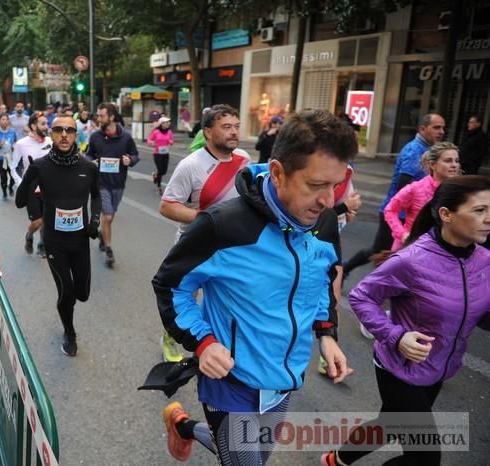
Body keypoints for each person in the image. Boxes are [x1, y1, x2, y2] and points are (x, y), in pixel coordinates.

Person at [153, 109, 356, 465]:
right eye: (315, 185)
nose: (328, 200)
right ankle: (194, 427)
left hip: (284, 378)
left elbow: (320, 280)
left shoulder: (322, 219)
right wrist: (203, 342)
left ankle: (184, 427)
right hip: (231, 381)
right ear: (277, 173)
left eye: (335, 185)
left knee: (252, 456)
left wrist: (326, 334)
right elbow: (171, 286)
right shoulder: (223, 225)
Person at [323, 175, 490, 466]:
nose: (489, 218)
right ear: (446, 214)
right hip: (399, 368)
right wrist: (397, 336)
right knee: (424, 458)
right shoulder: (411, 260)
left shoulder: (485, 260)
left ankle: (336, 460)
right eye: (479, 210)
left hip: (440, 366)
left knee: (389, 423)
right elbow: (362, 297)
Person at [157, 104, 251, 363]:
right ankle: (171, 335)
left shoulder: (244, 159)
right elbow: (167, 205)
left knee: (227, 299)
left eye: (236, 126)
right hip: (195, 245)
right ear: (208, 132)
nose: (234, 132)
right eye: (226, 127)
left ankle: (216, 343)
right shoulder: (191, 165)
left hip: (232, 247)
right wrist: (206, 220)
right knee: (186, 298)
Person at [15, 116, 101, 357]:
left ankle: (70, 317)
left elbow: (96, 197)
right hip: (54, 241)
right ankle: (69, 332)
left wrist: (94, 222)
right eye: (59, 130)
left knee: (82, 294)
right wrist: (29, 177)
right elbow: (20, 202)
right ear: (51, 134)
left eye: (70, 131)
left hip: (80, 240)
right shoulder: (40, 165)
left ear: (76, 135)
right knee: (66, 292)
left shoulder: (88, 167)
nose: (64, 135)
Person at [344, 113, 445, 278]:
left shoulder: (428, 149)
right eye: (436, 127)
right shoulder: (414, 150)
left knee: (394, 254)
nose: (441, 131)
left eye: (442, 127)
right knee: (381, 251)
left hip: (410, 214)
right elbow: (402, 186)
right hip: (397, 213)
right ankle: (347, 270)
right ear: (423, 128)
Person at [87, 102, 139, 267]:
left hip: (118, 183)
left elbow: (135, 155)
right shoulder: (95, 137)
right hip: (100, 182)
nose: (98, 118)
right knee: (107, 215)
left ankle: (104, 234)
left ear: (111, 117)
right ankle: (109, 249)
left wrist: (129, 159)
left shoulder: (126, 137)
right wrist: (92, 162)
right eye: (98, 115)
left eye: (101, 115)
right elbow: (88, 155)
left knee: (110, 216)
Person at [384, 142, 460, 250]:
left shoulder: (459, 191)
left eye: (456, 161)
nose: (454, 165)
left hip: (442, 250)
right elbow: (390, 210)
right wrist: (403, 234)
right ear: (433, 165)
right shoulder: (416, 188)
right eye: (448, 161)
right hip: (410, 249)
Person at [11, 111, 53, 258]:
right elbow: (14, 167)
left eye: (47, 123)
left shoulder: (50, 142)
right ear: (33, 126)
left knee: (47, 219)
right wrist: (22, 184)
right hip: (31, 187)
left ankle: (43, 244)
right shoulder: (21, 144)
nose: (46, 126)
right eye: (43, 124)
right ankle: (29, 235)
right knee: (37, 221)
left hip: (49, 186)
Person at [147, 116, 175, 194]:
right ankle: (159, 187)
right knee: (160, 170)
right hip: (157, 154)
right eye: (166, 122)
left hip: (165, 153)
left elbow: (172, 141)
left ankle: (155, 175)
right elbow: (149, 140)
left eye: (168, 122)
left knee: (164, 171)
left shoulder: (169, 132)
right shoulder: (156, 132)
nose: (168, 124)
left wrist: (170, 142)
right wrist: (151, 143)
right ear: (161, 124)